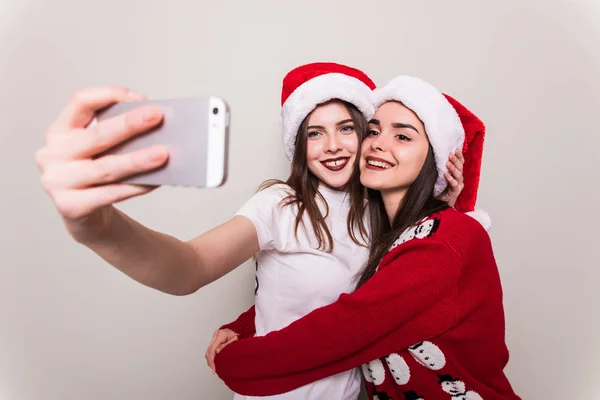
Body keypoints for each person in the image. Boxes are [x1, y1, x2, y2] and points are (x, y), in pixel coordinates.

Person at [35, 63, 464, 400]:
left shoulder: (380, 210)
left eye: (346, 128)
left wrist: (444, 194)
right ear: (298, 147)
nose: (332, 145)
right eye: (315, 133)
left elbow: (411, 276)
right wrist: (99, 226)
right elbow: (191, 265)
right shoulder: (281, 204)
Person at [212, 76, 519, 400]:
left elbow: (348, 328)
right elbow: (347, 293)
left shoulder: (448, 236)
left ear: (436, 160)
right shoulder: (388, 242)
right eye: (372, 131)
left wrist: (231, 362)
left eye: (402, 136)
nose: (378, 143)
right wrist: (245, 327)